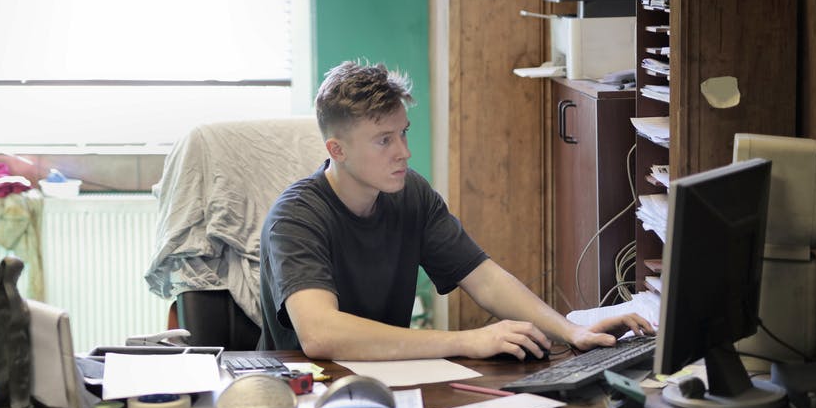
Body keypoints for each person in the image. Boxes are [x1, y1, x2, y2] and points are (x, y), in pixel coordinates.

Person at [259, 60, 653, 361]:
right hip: (305, 396)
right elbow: (319, 334)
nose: (404, 152)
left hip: (388, 380)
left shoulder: (409, 193)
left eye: (403, 133)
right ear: (337, 151)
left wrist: (570, 331)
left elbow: (482, 277)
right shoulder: (294, 218)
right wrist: (466, 341)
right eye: (384, 140)